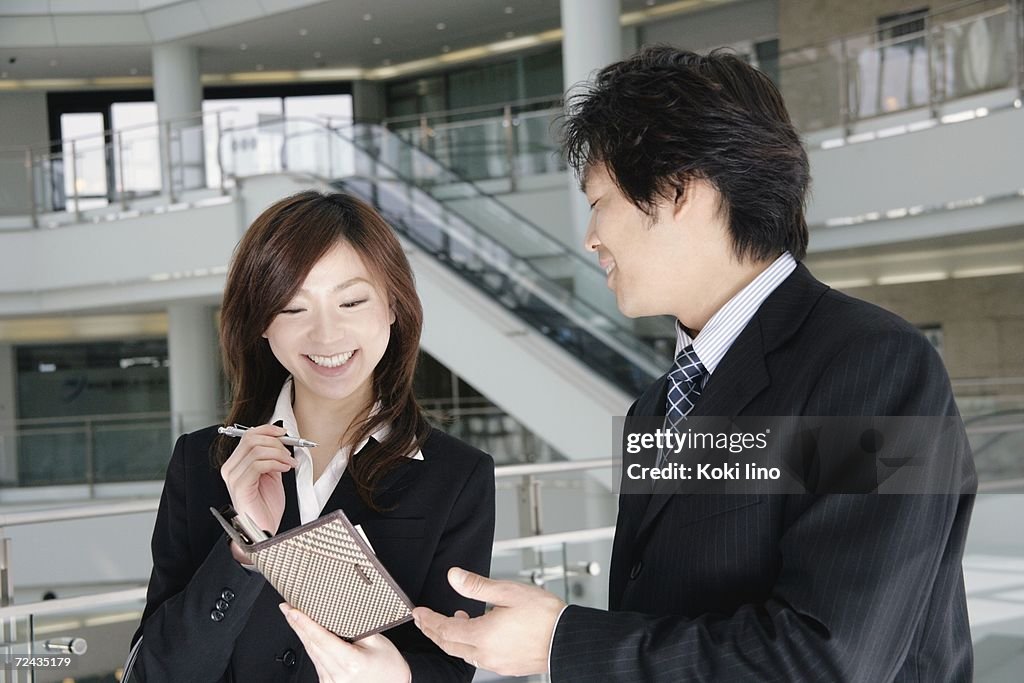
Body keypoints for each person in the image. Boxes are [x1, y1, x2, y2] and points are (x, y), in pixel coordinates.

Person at [406, 48, 976, 681]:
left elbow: (828, 659)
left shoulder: (874, 367)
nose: (590, 237)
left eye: (598, 202)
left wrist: (562, 643)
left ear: (682, 189)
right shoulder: (659, 405)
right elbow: (661, 617)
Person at [124, 190, 495, 682]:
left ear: (392, 307)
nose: (326, 336)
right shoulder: (203, 460)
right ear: (261, 324)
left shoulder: (457, 475)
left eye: (352, 301)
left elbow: (452, 667)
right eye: (294, 309)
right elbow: (157, 671)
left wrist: (398, 676)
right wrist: (245, 545)